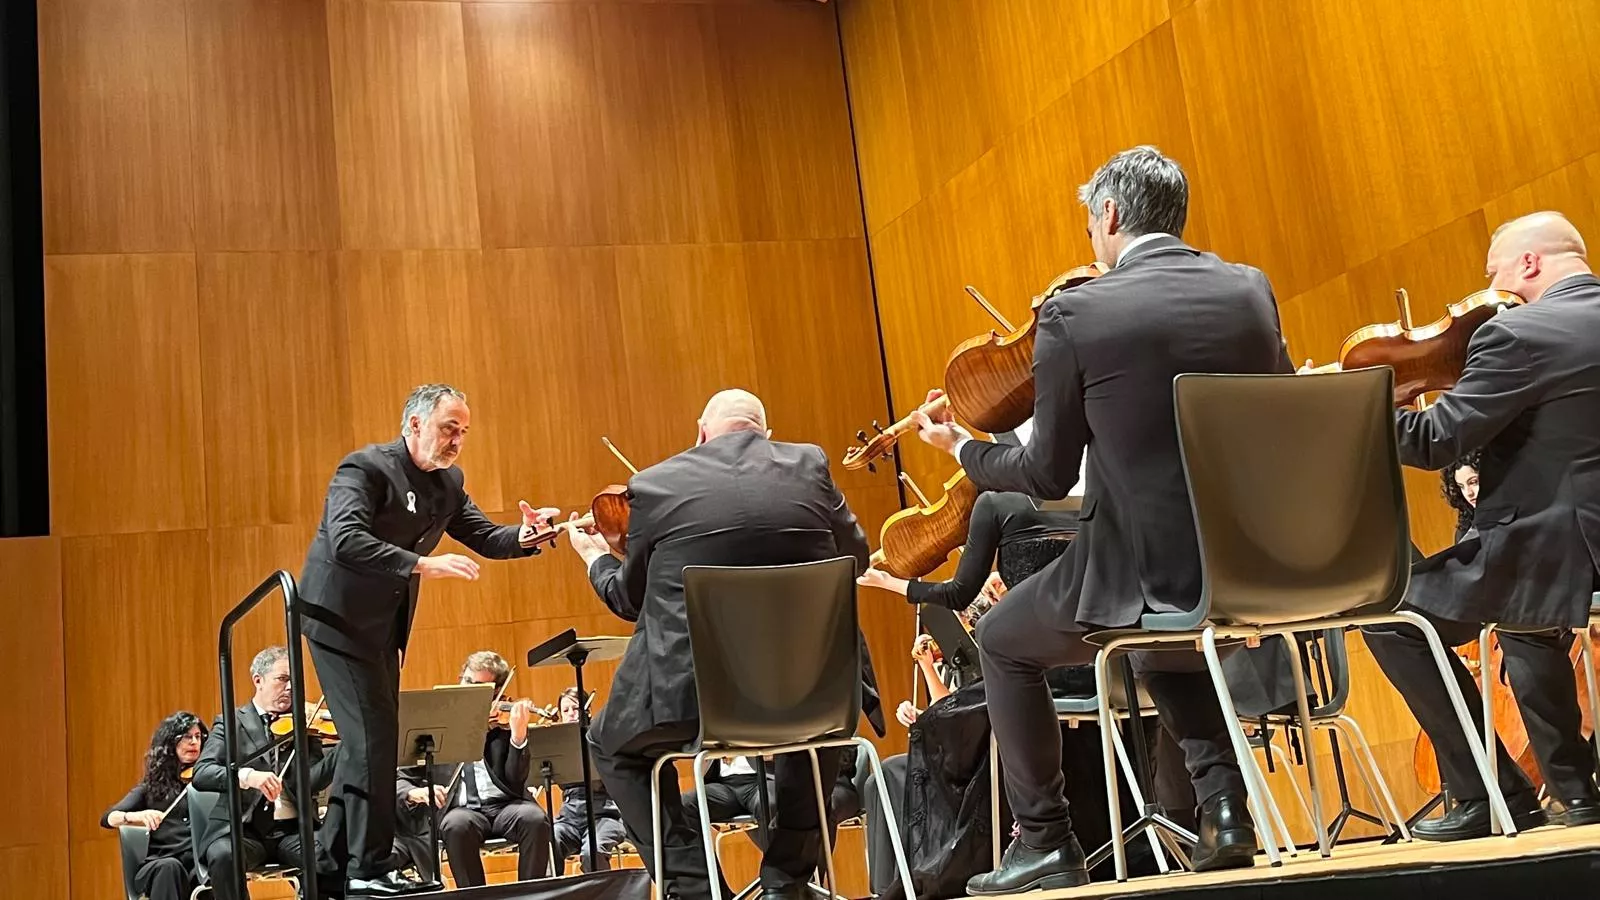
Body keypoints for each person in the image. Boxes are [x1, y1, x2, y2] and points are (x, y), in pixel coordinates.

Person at [912, 146, 1291, 893]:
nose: (1092, 238)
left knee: (1003, 639)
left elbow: (1045, 474)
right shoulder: (1250, 290)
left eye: (1091, 223)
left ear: (1110, 216)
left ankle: (1046, 839)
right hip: (1252, 560)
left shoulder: (1075, 311)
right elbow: (1283, 409)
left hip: (1141, 561)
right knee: (1155, 646)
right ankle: (1224, 814)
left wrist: (964, 448)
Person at [565, 389, 884, 900]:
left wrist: (595, 558)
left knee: (611, 746)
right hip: (811, 692)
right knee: (815, 733)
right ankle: (788, 881)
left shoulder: (654, 484)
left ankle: (693, 887)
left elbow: (629, 601)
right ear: (766, 435)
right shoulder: (808, 465)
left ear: (700, 433)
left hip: (694, 701)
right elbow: (857, 559)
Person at [1361, 211, 1600, 840]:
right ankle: (1574, 794)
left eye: (1494, 270)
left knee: (1388, 613)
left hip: (1552, 545)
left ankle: (1489, 790)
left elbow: (1440, 439)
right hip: (1567, 551)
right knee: (1524, 617)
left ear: (1529, 264)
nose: (1493, 286)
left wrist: (1356, 409)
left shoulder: (1519, 334)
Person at [300, 383, 559, 895]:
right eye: (449, 428)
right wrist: (421, 563)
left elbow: (484, 535)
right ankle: (367, 868)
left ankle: (329, 868)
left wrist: (527, 537)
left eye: (463, 432)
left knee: (366, 743)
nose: (457, 441)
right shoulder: (365, 469)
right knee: (372, 741)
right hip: (335, 617)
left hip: (382, 628)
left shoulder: (448, 482)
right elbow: (346, 537)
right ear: (414, 424)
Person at [191, 648, 340, 900]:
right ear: (258, 680)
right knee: (224, 855)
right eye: (282, 679)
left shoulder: (304, 724)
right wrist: (247, 776)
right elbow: (202, 773)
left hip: (293, 832)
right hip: (243, 831)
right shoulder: (231, 722)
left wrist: (345, 747)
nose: (291, 687)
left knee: (331, 856)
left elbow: (311, 782)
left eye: (294, 680)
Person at [394, 651, 551, 886]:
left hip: (505, 805)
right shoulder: (435, 723)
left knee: (535, 818)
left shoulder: (504, 725)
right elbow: (400, 778)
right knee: (456, 825)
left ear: (495, 692)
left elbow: (515, 780)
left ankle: (531, 893)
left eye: (479, 686)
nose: (468, 689)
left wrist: (518, 738)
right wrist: (412, 793)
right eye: (467, 681)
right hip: (461, 809)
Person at [102, 712, 208, 900]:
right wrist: (138, 816)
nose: (194, 742)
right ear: (170, 744)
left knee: (220, 866)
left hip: (196, 865)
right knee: (170, 868)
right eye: (186, 737)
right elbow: (108, 818)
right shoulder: (151, 788)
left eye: (198, 737)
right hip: (160, 865)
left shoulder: (207, 784)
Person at [550, 687, 629, 872]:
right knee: (549, 842)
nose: (570, 714)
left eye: (575, 709)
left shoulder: (600, 738)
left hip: (604, 814)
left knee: (592, 852)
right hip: (569, 817)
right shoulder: (557, 743)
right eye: (565, 710)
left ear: (587, 710)